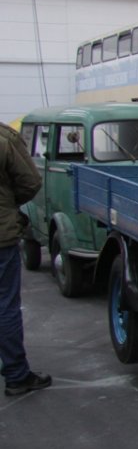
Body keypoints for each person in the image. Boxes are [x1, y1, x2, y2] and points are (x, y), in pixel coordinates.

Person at [1, 121, 50, 396]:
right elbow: (30, 182)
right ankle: (16, 375)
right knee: (5, 306)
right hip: (1, 236)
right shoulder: (4, 139)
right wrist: (9, 205)